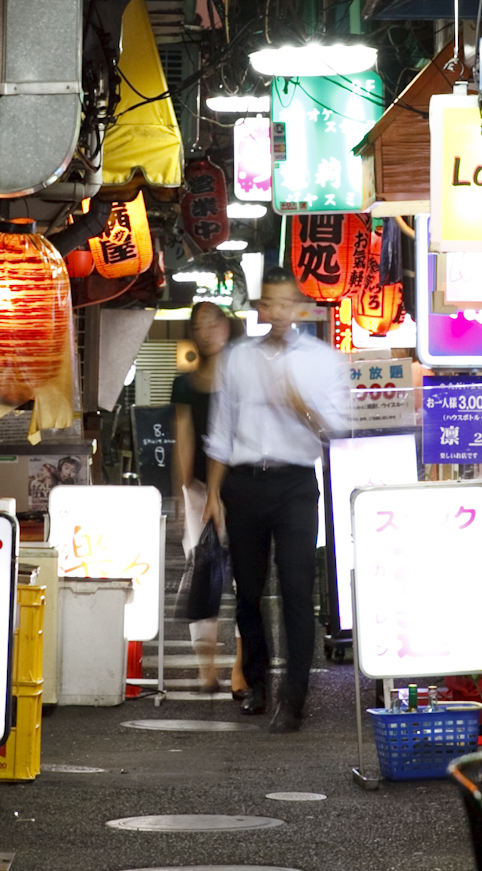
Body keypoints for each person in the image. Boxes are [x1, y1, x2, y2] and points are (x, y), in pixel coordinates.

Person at [205, 269, 352, 733]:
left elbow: (338, 428)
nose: (280, 312)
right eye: (271, 303)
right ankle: (257, 686)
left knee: (295, 590)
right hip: (244, 484)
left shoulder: (322, 359)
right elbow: (221, 432)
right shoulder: (238, 358)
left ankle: (295, 698)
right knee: (247, 592)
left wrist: (298, 404)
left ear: (300, 307)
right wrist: (213, 494)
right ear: (261, 308)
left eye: (289, 303)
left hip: (295, 485)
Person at [170, 302, 244, 691]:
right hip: (200, 488)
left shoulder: (244, 379)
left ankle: (239, 668)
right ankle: (207, 667)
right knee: (204, 573)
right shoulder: (184, 384)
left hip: (245, 487)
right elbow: (183, 438)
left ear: (226, 328)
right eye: (199, 325)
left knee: (245, 579)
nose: (207, 330)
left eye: (213, 322)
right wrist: (183, 495)